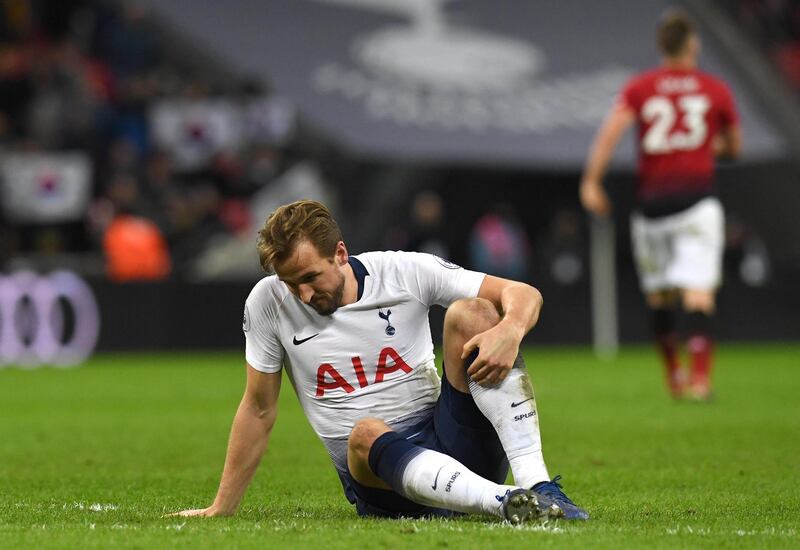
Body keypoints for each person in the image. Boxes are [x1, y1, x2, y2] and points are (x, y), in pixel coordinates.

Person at [170, 199, 588, 523]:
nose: (303, 295)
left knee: (475, 313)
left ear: (339, 253)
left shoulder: (403, 271)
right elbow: (259, 408)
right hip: (380, 479)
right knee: (365, 433)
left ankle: (539, 486)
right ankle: (508, 503)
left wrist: (509, 330)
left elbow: (523, 293)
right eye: (290, 283)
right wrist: (222, 506)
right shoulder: (267, 302)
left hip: (455, 441)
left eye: (311, 278)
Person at [579, 11, 741, 400]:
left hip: (651, 207)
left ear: (660, 46)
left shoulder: (640, 87)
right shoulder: (715, 89)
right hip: (697, 203)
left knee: (660, 296)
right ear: (692, 44)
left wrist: (591, 181)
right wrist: (704, 146)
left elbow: (610, 134)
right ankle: (700, 381)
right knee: (699, 293)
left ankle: (675, 378)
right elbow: (733, 148)